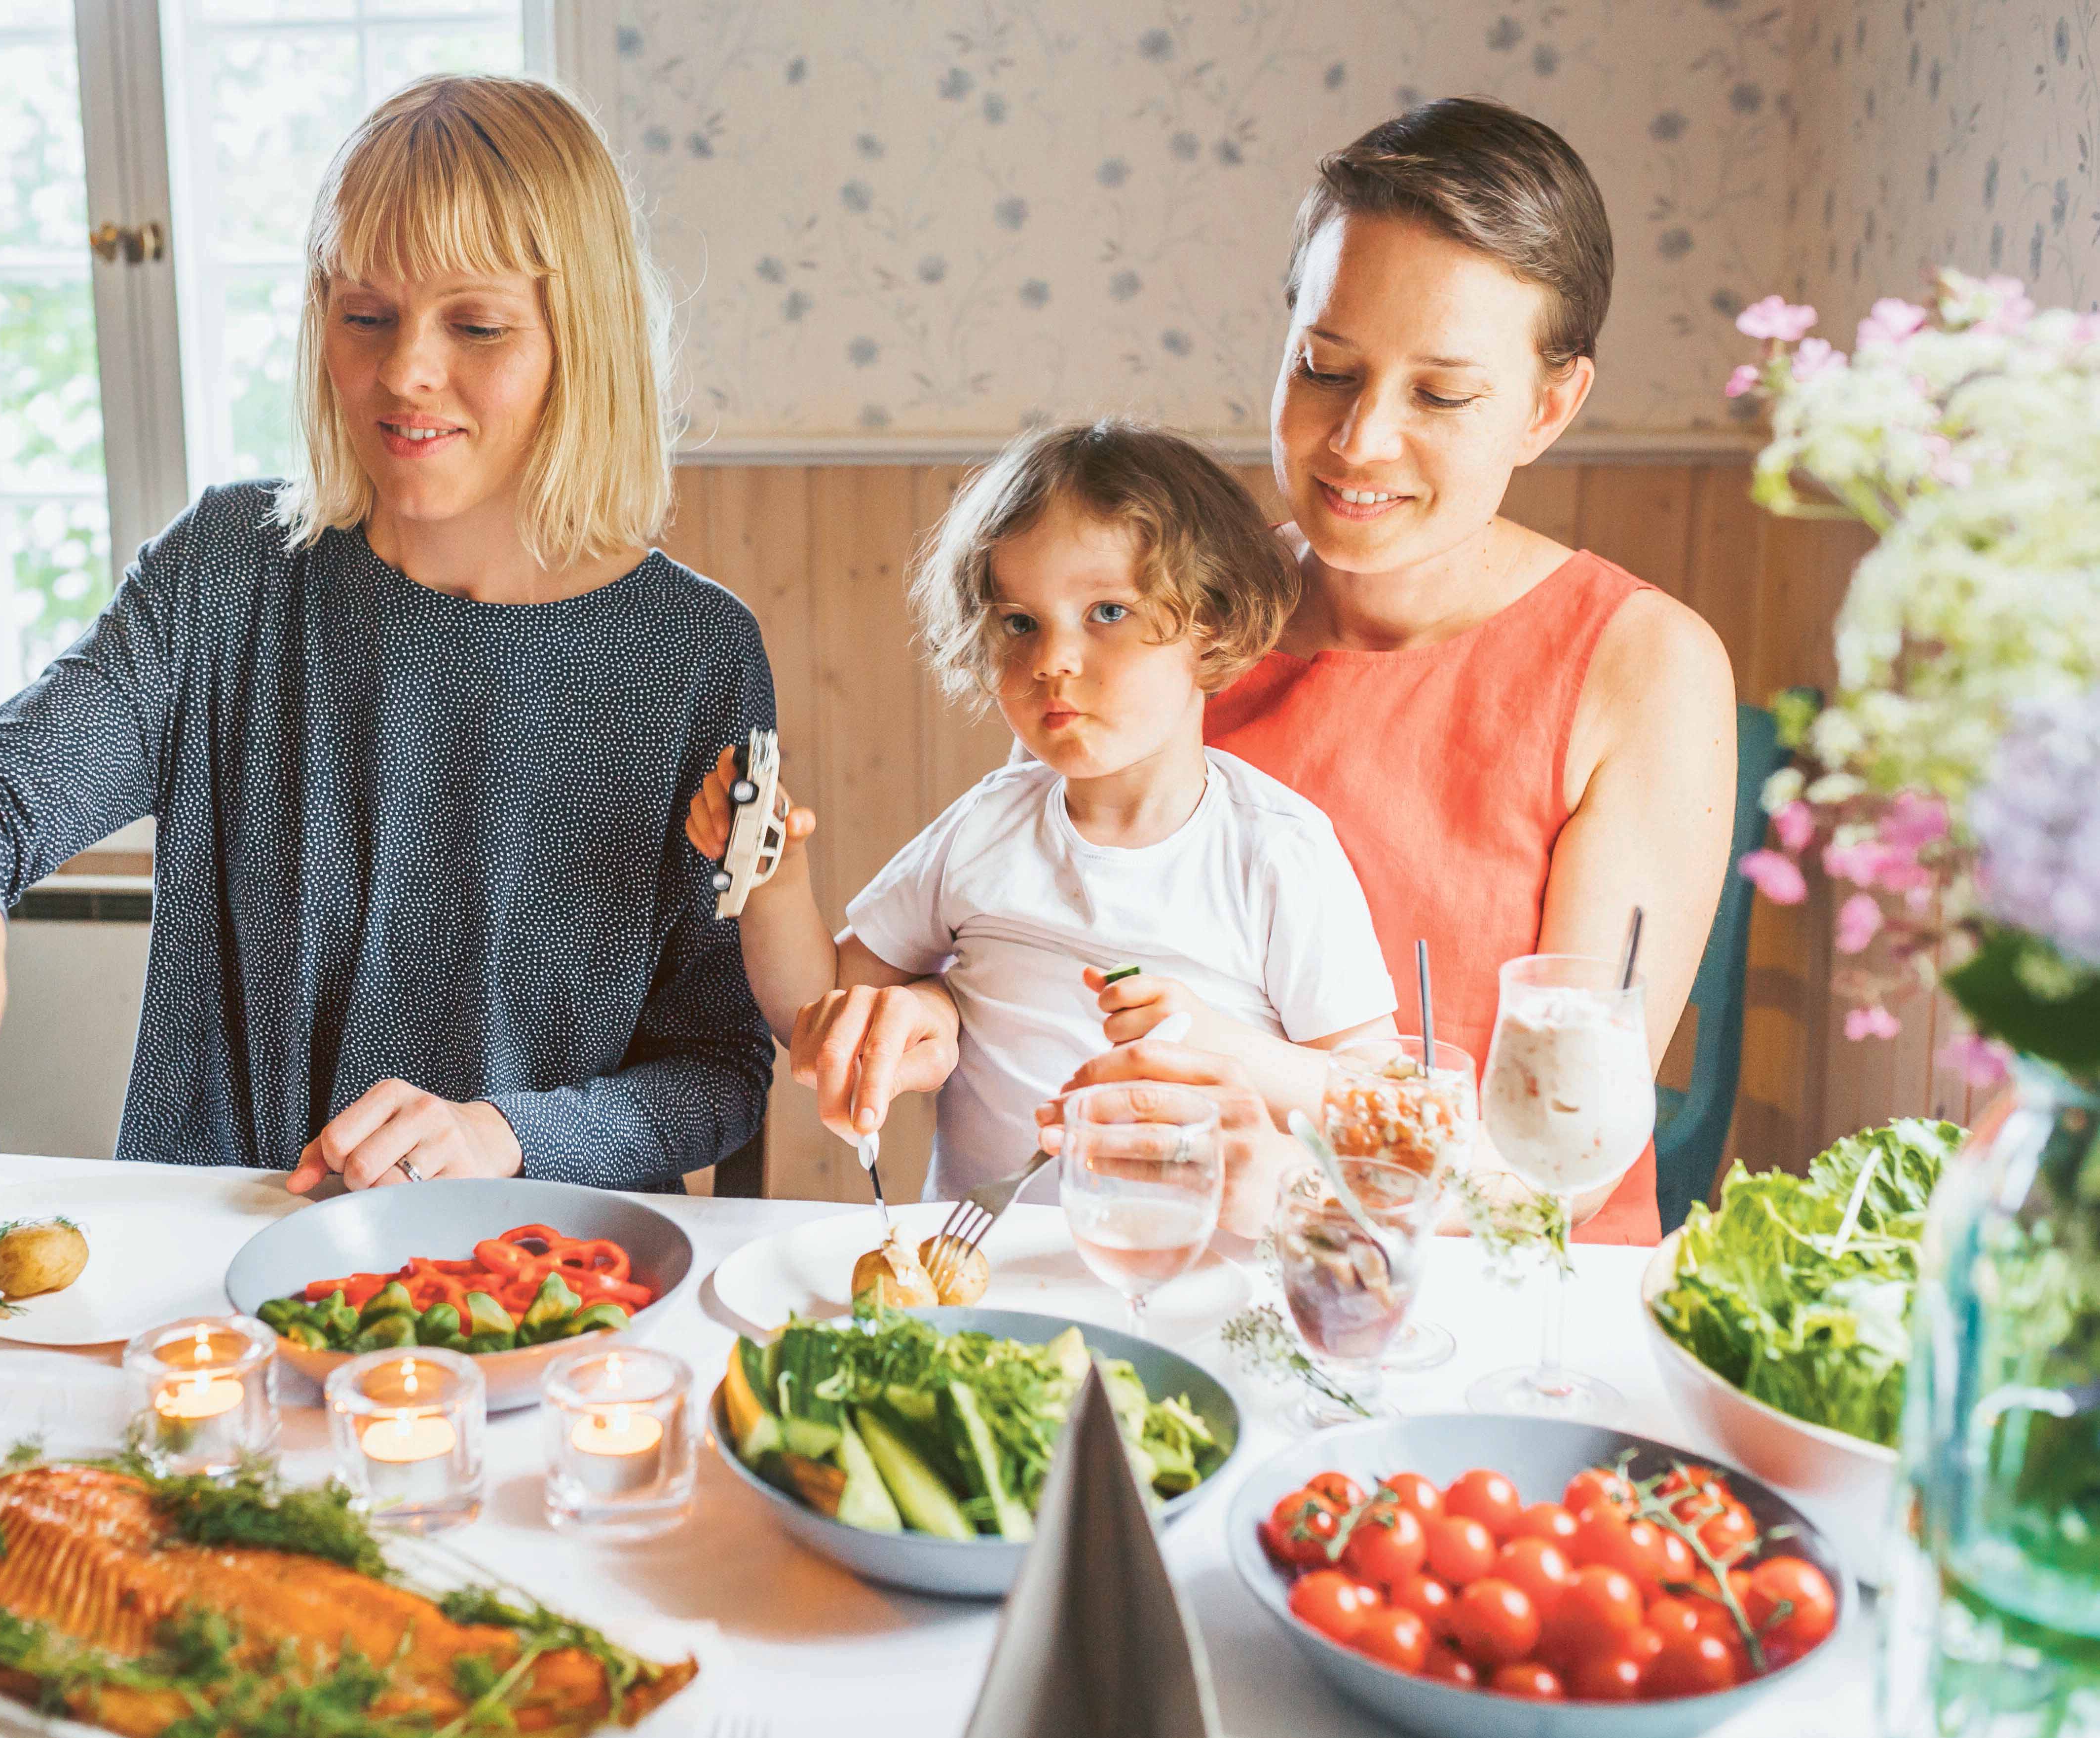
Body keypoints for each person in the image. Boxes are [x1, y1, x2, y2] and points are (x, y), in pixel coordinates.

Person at [0, 75, 776, 1229]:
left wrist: (500, 1133)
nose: (407, 371)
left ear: (585, 339)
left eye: (476, 324)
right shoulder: (227, 573)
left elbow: (717, 1069)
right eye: (366, 314)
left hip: (536, 1285)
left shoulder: (692, 654)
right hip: (211, 1272)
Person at [1053, 99, 1737, 1245]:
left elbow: (1564, 1161)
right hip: (1174, 1267)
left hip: (1509, 1317)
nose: (1359, 441)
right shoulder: (1179, 620)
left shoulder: (1642, 666)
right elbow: (1055, 935)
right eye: (1325, 368)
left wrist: (1297, 1186)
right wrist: (916, 1002)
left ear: (1548, 405)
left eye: (1441, 394)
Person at [687, 420, 1399, 1213]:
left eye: (1106, 612)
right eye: (1020, 623)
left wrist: (1220, 1043)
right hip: (981, 1271)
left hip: (1195, 1278)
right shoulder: (987, 828)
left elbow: (1379, 1104)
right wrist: (775, 883)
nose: (1051, 660)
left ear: (1213, 626)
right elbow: (816, 1006)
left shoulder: (1276, 850)